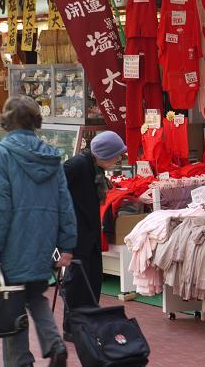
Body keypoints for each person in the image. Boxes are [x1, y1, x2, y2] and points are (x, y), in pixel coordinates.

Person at [0, 95, 76, 367]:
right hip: (42, 242)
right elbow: (65, 204)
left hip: (11, 244)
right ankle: (55, 345)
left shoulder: (0, 155)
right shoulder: (51, 157)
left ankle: (20, 362)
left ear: (7, 120)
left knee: (12, 303)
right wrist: (67, 245)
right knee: (35, 295)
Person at [62, 131, 126, 341]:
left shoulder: (95, 168)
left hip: (89, 230)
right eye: (116, 155)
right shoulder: (78, 165)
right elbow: (55, 188)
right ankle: (72, 327)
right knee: (78, 280)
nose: (118, 160)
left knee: (92, 277)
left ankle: (87, 322)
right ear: (105, 153)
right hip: (76, 231)